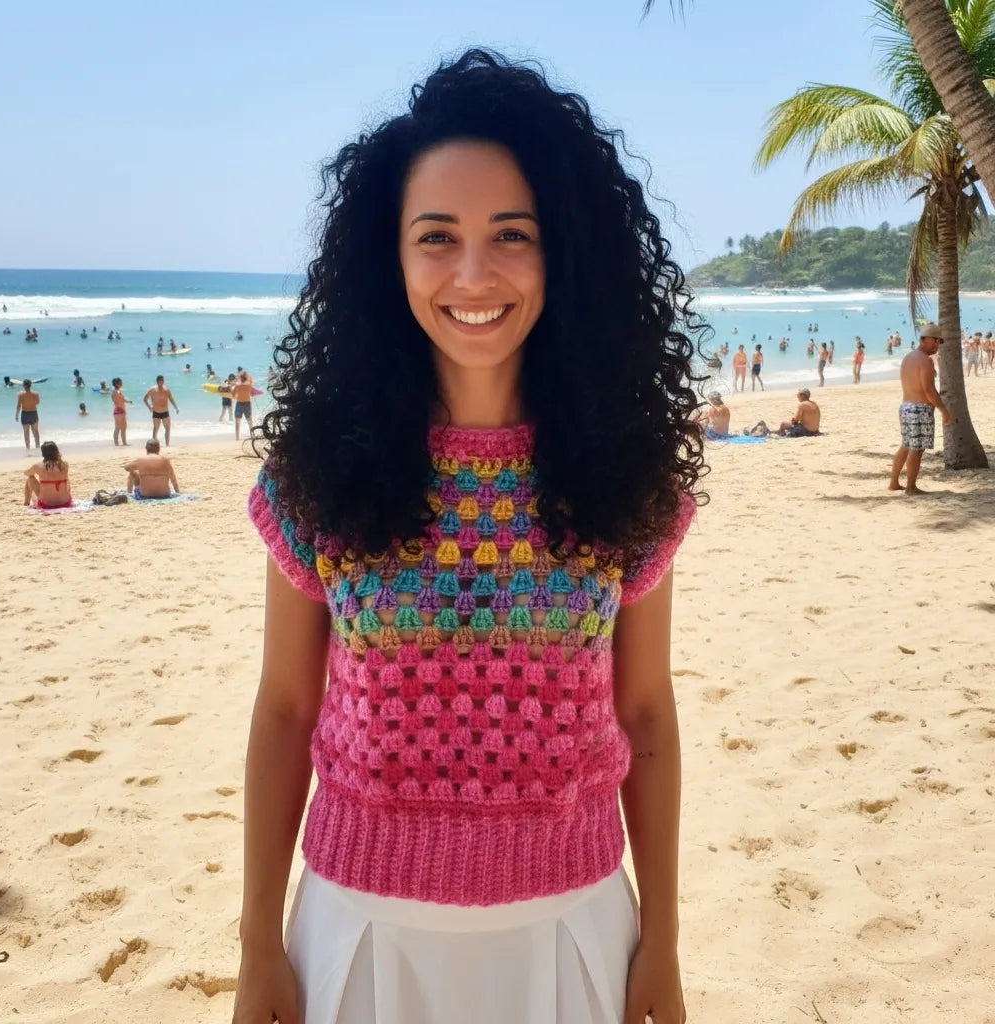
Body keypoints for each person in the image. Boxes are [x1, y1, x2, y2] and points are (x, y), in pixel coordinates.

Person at [235, 49, 702, 1024]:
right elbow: (284, 710)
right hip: (357, 937)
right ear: (389, 256)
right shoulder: (319, 475)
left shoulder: (626, 476)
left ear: (561, 249)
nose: (474, 273)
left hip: (574, 936)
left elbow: (647, 716)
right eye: (436, 236)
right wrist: (255, 946)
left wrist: (661, 942)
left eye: (512, 234)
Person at [889, 322, 952, 495]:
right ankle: (911, 487)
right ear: (924, 339)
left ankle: (894, 483)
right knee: (917, 449)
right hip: (919, 410)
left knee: (906, 445)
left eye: (939, 342)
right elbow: (928, 389)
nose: (937, 345)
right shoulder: (925, 361)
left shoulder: (908, 357)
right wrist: (943, 410)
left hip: (906, 407)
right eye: (935, 341)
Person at [24, 441, 71, 508]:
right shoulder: (65, 465)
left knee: (30, 478)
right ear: (56, 451)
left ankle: (26, 503)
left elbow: (27, 473)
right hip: (65, 503)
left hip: (46, 504)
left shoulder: (38, 466)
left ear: (43, 454)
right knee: (65, 478)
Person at [143, 374, 179, 445]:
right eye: (159, 381)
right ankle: (153, 445)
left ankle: (167, 445)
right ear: (157, 382)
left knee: (168, 429)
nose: (161, 383)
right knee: (155, 429)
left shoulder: (166, 390)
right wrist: (149, 407)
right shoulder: (152, 390)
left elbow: (171, 399)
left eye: (162, 381)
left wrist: (176, 407)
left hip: (165, 411)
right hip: (156, 412)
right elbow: (145, 399)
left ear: (163, 381)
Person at [15, 379, 41, 450]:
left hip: (25, 414)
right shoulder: (36, 394)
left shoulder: (20, 394)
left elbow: (18, 406)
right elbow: (37, 402)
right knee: (35, 431)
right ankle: (37, 446)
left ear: (23, 385)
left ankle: (28, 448)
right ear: (30, 385)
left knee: (26, 432)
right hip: (33, 413)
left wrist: (17, 415)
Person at [231, 370, 255, 439]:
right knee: (250, 422)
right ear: (246, 377)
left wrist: (236, 381)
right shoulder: (249, 384)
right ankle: (252, 436)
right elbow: (251, 378)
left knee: (237, 422)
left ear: (240, 378)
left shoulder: (237, 385)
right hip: (247, 403)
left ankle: (237, 438)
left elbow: (233, 395)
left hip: (239, 403)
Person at [111, 377, 131, 446]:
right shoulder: (117, 392)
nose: (122, 383)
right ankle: (120, 443)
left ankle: (120, 442)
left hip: (117, 410)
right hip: (120, 411)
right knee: (121, 427)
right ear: (118, 384)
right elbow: (120, 400)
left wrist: (128, 401)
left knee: (120, 427)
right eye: (121, 382)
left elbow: (119, 400)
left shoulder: (114, 392)